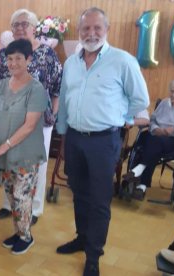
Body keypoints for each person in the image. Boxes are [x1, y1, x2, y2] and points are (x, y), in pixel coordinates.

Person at [55, 7, 149, 276]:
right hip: (74, 138)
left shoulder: (123, 61)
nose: (91, 33)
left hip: (103, 142)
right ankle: (82, 237)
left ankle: (94, 255)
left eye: (97, 28)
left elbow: (141, 100)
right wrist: (63, 134)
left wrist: (121, 118)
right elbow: (64, 100)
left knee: (98, 199)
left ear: (106, 30)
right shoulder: (70, 63)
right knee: (79, 193)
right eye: (86, 28)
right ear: (79, 31)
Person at [0, 8, 62, 225]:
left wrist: (52, 115)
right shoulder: (3, 55)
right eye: (16, 25)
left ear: (33, 27)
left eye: (24, 24)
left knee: (33, 166)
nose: (20, 28)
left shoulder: (47, 54)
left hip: (37, 122)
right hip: (6, 120)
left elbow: (58, 88)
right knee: (7, 159)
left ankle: (33, 209)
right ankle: (9, 205)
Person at [0, 39, 47, 255]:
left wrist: (3, 147)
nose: (13, 63)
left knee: (22, 196)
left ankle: (26, 236)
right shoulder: (2, 84)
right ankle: (18, 232)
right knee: (11, 194)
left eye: (18, 58)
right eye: (9, 59)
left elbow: (29, 126)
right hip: (3, 153)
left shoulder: (36, 89)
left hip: (24, 154)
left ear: (29, 59)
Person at [122, 78, 174, 200]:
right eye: (172, 91)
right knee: (147, 138)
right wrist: (155, 128)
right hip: (157, 137)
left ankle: (139, 172)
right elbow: (152, 120)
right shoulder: (164, 103)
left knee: (154, 142)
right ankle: (141, 186)